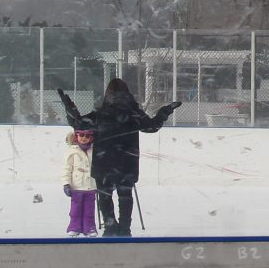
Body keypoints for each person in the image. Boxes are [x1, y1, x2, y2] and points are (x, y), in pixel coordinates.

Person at [58, 78, 181, 237]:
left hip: (104, 163)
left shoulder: (101, 114)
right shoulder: (133, 114)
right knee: (125, 195)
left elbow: (79, 124)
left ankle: (110, 226)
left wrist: (68, 104)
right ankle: (124, 227)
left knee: (105, 195)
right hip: (127, 163)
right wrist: (165, 111)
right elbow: (152, 127)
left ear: (107, 95)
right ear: (127, 94)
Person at [62, 127, 98, 237]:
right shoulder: (72, 152)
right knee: (75, 210)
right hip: (76, 187)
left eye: (87, 136)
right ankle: (74, 227)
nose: (84, 138)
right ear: (76, 136)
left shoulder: (94, 151)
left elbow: (100, 167)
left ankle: (90, 228)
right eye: (81, 135)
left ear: (91, 138)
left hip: (90, 186)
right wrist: (66, 184)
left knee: (89, 210)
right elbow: (66, 169)